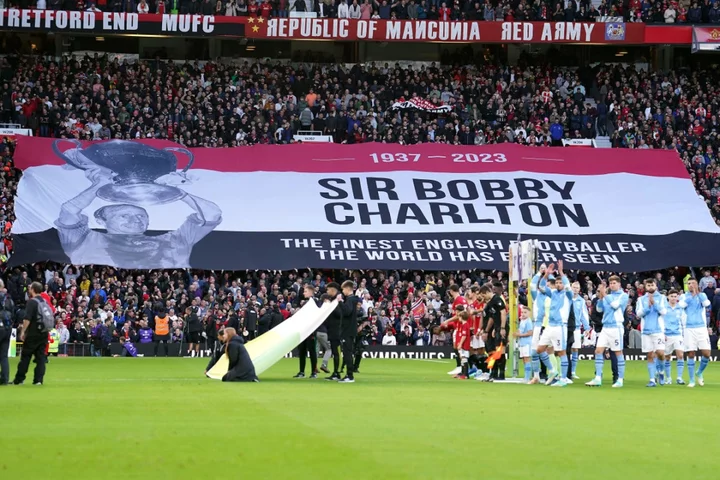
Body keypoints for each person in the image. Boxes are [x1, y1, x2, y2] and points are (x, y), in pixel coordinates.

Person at [55, 165, 222, 269]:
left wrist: (179, 193)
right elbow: (69, 211)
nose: (135, 220)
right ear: (101, 220)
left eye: (142, 216)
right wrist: (98, 185)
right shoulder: (84, 240)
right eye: (124, 215)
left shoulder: (175, 240)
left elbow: (212, 213)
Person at [586, 276, 628, 388]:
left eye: (614, 283)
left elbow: (615, 306)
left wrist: (604, 295)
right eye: (611, 283)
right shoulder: (607, 296)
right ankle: (598, 378)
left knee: (618, 352)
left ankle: (620, 379)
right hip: (605, 327)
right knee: (598, 351)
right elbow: (599, 309)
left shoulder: (623, 296)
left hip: (616, 327)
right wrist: (600, 297)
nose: (612, 285)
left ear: (619, 284)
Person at [536, 261, 573, 387]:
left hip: (560, 326)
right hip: (550, 326)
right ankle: (552, 370)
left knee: (561, 352)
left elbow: (568, 285)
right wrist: (546, 274)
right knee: (540, 349)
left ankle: (563, 379)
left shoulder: (568, 295)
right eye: (556, 282)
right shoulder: (552, 293)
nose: (558, 284)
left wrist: (561, 273)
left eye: (560, 282)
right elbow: (540, 287)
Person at [13, 282, 52, 385]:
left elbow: (27, 319)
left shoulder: (32, 302)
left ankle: (19, 379)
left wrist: (23, 331)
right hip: (43, 333)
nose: (29, 289)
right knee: (40, 358)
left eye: (30, 288)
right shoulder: (45, 301)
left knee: (25, 356)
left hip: (33, 333)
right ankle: (38, 380)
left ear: (33, 289)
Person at [636, 278, 668, 387]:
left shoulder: (662, 298)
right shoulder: (641, 299)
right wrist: (647, 308)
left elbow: (664, 312)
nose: (650, 287)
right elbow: (638, 314)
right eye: (648, 285)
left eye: (652, 285)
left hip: (658, 330)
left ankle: (661, 372)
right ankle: (652, 380)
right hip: (646, 331)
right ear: (645, 287)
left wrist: (655, 304)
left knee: (660, 353)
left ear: (656, 286)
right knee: (650, 355)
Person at [682, 278, 712, 388]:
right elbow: (682, 305)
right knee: (690, 353)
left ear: (696, 284)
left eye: (692, 283)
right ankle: (691, 380)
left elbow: (707, 304)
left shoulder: (702, 295)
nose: (690, 285)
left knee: (707, 354)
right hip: (689, 328)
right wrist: (691, 296)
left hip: (701, 328)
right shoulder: (685, 296)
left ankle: (699, 372)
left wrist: (698, 294)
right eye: (688, 283)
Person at [479, 282, 508, 381]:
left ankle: (502, 374)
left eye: (483, 295)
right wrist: (487, 330)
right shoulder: (490, 302)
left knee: (500, 350)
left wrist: (502, 328)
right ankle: (494, 373)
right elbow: (492, 317)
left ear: (486, 292)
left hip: (501, 327)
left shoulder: (497, 299)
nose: (483, 297)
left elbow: (503, 313)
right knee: (495, 352)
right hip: (496, 328)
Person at [528, 264, 549, 384]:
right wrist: (539, 273)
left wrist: (547, 273)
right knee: (535, 350)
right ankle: (537, 375)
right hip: (538, 325)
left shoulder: (551, 295)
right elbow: (531, 285)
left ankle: (551, 372)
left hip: (546, 325)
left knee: (547, 350)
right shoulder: (537, 296)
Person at [437, 308, 471, 379]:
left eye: (459, 317)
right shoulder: (462, 324)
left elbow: (464, 335)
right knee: (462, 358)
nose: (458, 318)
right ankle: (463, 374)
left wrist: (460, 344)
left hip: (464, 345)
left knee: (464, 358)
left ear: (462, 317)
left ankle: (466, 374)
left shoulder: (465, 325)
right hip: (462, 344)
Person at [293, 284, 319, 379]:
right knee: (302, 351)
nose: (303, 293)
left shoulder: (315, 302)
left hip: (311, 331)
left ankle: (314, 372)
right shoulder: (307, 302)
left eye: (305, 291)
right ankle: (301, 371)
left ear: (311, 292)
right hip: (303, 330)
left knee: (312, 352)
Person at [663, 289, 686, 385]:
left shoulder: (680, 308)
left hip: (677, 334)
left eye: (675, 296)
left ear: (678, 298)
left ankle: (679, 378)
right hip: (667, 335)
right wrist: (662, 333)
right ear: (668, 297)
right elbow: (660, 321)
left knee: (680, 355)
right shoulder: (664, 308)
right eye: (671, 296)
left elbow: (683, 322)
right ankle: (668, 378)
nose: (673, 298)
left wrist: (684, 334)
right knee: (667, 357)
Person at [338, 280, 360, 383]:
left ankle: (349, 376)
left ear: (348, 289)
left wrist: (340, 302)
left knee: (347, 353)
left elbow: (347, 311)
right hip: (350, 329)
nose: (342, 291)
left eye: (343, 289)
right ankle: (349, 374)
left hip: (347, 330)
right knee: (348, 352)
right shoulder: (353, 300)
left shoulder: (350, 300)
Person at [323, 282, 343, 381]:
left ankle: (337, 373)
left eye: (328, 289)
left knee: (337, 352)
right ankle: (335, 372)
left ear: (333, 290)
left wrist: (331, 306)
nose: (327, 291)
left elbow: (340, 313)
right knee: (334, 352)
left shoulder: (339, 300)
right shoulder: (333, 300)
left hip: (337, 331)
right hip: (332, 330)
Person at [570, 281, 589, 380]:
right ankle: (563, 371)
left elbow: (584, 315)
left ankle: (573, 371)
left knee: (575, 349)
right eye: (574, 287)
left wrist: (587, 327)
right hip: (565, 327)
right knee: (563, 350)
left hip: (576, 328)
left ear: (579, 289)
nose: (575, 289)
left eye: (577, 288)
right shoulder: (566, 298)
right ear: (570, 287)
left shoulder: (581, 301)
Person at [446, 284, 467, 375]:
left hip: (459, 326)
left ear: (451, 291)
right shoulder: (460, 299)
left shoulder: (458, 300)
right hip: (458, 325)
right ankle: (460, 367)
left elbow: (459, 315)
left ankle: (460, 367)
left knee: (458, 347)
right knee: (457, 347)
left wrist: (447, 322)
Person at [515, 305, 534, 383]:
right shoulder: (522, 321)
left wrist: (520, 335)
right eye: (522, 312)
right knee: (524, 359)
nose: (523, 314)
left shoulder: (529, 321)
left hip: (527, 343)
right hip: (522, 343)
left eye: (525, 312)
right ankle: (526, 376)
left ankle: (527, 377)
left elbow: (530, 333)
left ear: (529, 313)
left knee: (527, 359)